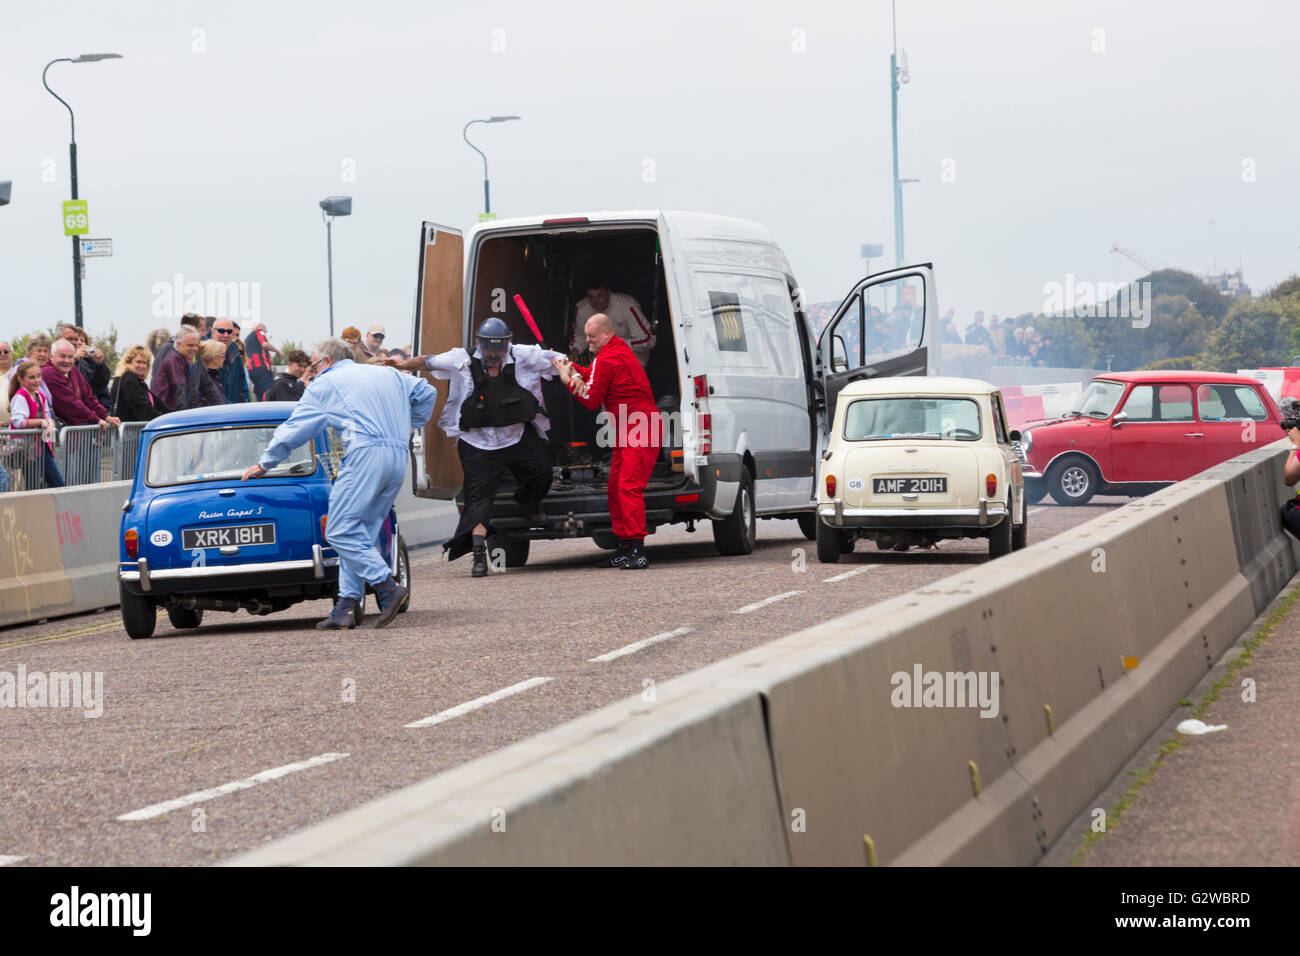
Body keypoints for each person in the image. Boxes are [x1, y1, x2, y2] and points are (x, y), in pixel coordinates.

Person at [243, 338, 438, 630]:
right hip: (397, 455)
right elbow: (427, 391)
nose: (313, 371)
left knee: (339, 530)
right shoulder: (388, 374)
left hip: (363, 453)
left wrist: (266, 463)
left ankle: (387, 587)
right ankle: (346, 605)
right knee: (361, 534)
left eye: (314, 365)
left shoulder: (326, 384)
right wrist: (409, 427)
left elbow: (294, 429)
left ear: (327, 361)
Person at [386, 317, 562, 578]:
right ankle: (479, 555)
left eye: (498, 349)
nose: (493, 355)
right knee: (479, 501)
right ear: (480, 344)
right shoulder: (461, 359)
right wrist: (401, 364)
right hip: (478, 444)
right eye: (488, 349)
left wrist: (573, 370)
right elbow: (427, 360)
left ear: (507, 344)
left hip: (516, 436)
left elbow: (559, 360)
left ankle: (528, 504)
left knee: (542, 473)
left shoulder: (525, 355)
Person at [553, 312, 660, 570]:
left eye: (592, 336)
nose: (587, 340)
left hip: (638, 425)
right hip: (632, 425)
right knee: (616, 487)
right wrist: (573, 367)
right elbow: (594, 376)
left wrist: (567, 379)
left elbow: (590, 399)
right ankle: (625, 547)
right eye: (586, 335)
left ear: (607, 333)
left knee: (628, 487)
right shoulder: (616, 350)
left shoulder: (607, 357)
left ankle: (637, 549)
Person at [570, 274, 655, 367]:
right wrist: (576, 350)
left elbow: (647, 340)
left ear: (608, 293)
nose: (596, 301)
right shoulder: (582, 308)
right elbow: (581, 337)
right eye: (591, 297)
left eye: (599, 296)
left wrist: (615, 344)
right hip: (601, 355)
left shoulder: (627, 305)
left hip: (632, 353)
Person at [9, 361, 63, 488]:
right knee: (32, 485)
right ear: (21, 379)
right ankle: (30, 507)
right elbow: (18, 422)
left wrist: (49, 423)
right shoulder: (20, 396)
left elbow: (46, 414)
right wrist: (41, 422)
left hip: (42, 446)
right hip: (27, 449)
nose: (36, 380)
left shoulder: (40, 394)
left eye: (39, 376)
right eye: (32, 377)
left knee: (57, 483)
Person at [44, 339, 120, 430]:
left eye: (70, 357)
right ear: (51, 357)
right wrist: (96, 419)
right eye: (62, 356)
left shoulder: (74, 370)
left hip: (73, 433)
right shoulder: (49, 373)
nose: (67, 361)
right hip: (54, 433)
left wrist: (105, 416)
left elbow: (88, 397)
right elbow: (70, 404)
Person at [152, 327, 210, 413]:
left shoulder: (183, 359)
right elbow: (180, 390)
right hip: (168, 413)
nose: (194, 349)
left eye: (196, 345)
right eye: (190, 345)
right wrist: (185, 414)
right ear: (178, 344)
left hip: (169, 411)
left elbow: (207, 387)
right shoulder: (175, 359)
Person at [109, 346, 158, 422]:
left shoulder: (139, 382)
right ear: (129, 362)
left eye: (144, 363)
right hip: (128, 431)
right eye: (138, 362)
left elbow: (158, 404)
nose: (141, 366)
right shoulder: (129, 379)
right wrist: (165, 418)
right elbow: (144, 409)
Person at [207, 318, 250, 404]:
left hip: (234, 409)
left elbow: (242, 382)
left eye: (229, 332)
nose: (226, 335)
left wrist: (246, 402)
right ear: (213, 332)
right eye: (221, 331)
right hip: (213, 409)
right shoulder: (204, 351)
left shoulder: (234, 349)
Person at [244, 322, 282, 400]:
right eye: (265, 331)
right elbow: (265, 344)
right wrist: (278, 351)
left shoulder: (247, 338)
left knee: (259, 393)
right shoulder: (259, 332)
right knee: (268, 393)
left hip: (252, 369)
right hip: (262, 367)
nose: (265, 333)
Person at [198, 341, 229, 406]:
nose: (225, 359)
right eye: (223, 355)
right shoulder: (205, 380)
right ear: (215, 358)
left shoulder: (213, 376)